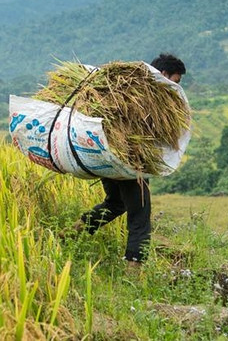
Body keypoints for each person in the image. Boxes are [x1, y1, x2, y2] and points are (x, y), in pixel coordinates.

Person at [72, 53, 186, 266]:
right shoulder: (150, 98)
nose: (175, 87)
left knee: (115, 203)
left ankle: (71, 233)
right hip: (130, 163)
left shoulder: (124, 88)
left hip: (104, 157)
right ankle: (133, 269)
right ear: (163, 74)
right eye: (175, 81)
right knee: (140, 218)